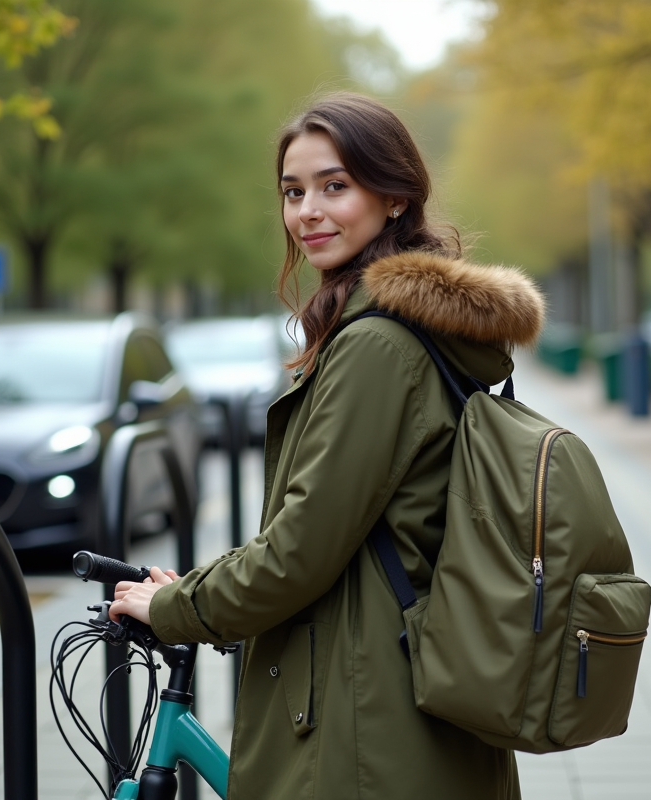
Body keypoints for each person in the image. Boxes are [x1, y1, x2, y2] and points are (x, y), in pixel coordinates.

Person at [110, 91, 544, 799]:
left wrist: (176, 607)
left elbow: (300, 550)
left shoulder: (377, 346)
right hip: (405, 692)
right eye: (292, 191)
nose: (307, 211)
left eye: (334, 186)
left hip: (366, 718)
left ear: (395, 197)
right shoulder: (403, 332)